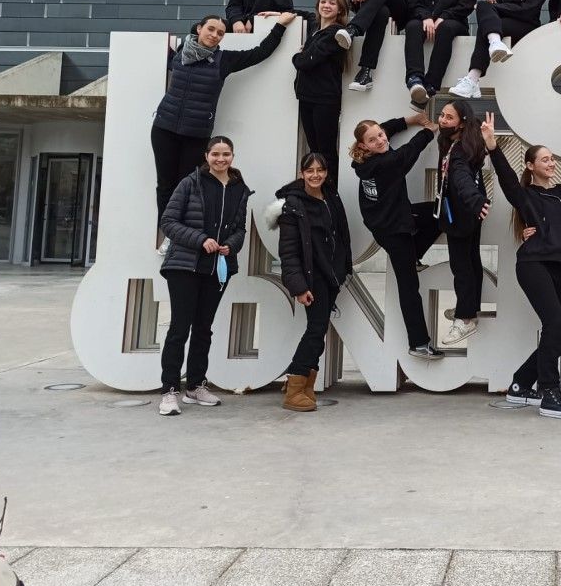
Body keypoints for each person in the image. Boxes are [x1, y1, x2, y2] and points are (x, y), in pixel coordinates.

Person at [151, 10, 296, 232]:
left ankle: (180, 233)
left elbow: (260, 52)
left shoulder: (223, 60)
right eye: (211, 29)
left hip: (195, 134)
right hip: (164, 127)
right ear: (199, 29)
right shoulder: (180, 53)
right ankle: (168, 232)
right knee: (165, 186)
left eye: (220, 33)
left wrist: (280, 26)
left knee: (187, 186)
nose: (215, 35)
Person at [480, 114, 561, 420]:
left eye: (553, 159)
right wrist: (493, 147)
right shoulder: (526, 196)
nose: (551, 163)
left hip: (558, 267)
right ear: (530, 165)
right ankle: (549, 394)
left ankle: (521, 383)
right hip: (533, 264)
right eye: (545, 159)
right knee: (553, 324)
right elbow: (508, 181)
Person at [157, 136, 252, 417]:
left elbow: (240, 229)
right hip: (185, 266)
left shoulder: (239, 189)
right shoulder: (191, 183)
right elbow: (169, 222)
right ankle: (169, 390)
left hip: (217, 269)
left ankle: (196, 385)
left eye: (226, 154)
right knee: (179, 329)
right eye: (215, 154)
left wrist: (230, 246)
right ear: (207, 156)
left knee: (204, 329)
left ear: (232, 156)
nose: (221, 159)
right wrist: (201, 240)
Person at [350, 111, 444, 360]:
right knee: (409, 285)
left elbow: (386, 129)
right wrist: (428, 130)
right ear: (363, 146)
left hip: (390, 216)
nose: (381, 140)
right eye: (373, 139)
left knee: (441, 212)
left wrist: (408, 121)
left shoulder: (367, 156)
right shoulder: (385, 163)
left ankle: (414, 255)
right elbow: (409, 151)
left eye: (380, 135)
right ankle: (419, 343)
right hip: (393, 229)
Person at [270, 152, 353, 412]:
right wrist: (299, 286)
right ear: (301, 173)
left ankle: (305, 385)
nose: (315, 175)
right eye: (310, 171)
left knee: (319, 329)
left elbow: (341, 235)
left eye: (320, 170)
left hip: (331, 276)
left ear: (326, 173)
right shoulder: (293, 204)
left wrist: (343, 269)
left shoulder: (331, 197)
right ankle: (294, 386)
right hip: (311, 277)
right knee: (316, 329)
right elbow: (289, 251)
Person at [435, 99, 492, 345]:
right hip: (465, 211)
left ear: (461, 123)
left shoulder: (460, 151)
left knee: (462, 267)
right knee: (470, 261)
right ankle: (470, 310)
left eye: (449, 117)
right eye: (442, 115)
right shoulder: (455, 142)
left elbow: (461, 178)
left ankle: (466, 317)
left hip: (463, 212)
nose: (442, 120)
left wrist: (475, 201)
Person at [292, 0, 350, 185]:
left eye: (332, 3)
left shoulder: (335, 33)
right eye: (323, 1)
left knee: (325, 150)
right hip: (307, 97)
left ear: (340, 9)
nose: (327, 5)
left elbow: (305, 62)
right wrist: (277, 13)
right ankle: (316, 189)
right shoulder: (316, 29)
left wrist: (298, 55)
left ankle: (330, 190)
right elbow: (299, 13)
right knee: (314, 149)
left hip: (324, 100)